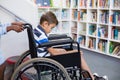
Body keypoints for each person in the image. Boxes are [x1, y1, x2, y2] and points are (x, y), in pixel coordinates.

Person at [33, 11, 107, 80]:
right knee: (77, 55)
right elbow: (54, 53)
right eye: (51, 28)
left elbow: (47, 48)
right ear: (45, 24)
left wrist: (63, 51)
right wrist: (72, 52)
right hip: (46, 61)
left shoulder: (37, 30)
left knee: (66, 50)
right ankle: (91, 78)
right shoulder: (41, 35)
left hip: (44, 57)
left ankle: (89, 76)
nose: (51, 30)